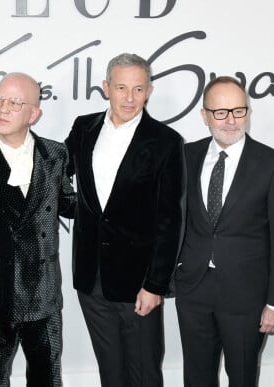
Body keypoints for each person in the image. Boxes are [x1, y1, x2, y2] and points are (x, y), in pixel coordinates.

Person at [65, 53, 187, 386]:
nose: (129, 98)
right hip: (91, 278)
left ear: (148, 90)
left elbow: (170, 220)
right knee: (110, 372)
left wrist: (155, 284)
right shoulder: (83, 128)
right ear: (107, 88)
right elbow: (53, 173)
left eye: (137, 89)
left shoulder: (166, 142)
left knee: (144, 372)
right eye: (121, 88)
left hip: (139, 284)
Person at [174, 76, 274, 387]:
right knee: (196, 378)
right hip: (193, 291)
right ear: (204, 115)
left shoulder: (273, 165)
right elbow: (170, 222)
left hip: (247, 296)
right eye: (220, 112)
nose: (231, 121)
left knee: (242, 377)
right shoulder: (184, 158)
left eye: (239, 111)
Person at [0, 72, 76, 387]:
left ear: (34, 113)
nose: (2, 108)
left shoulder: (55, 154)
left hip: (43, 294)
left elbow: (68, 204)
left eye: (15, 102)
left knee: (47, 380)